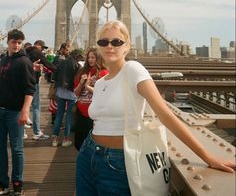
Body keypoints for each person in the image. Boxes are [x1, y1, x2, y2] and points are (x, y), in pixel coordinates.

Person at [75, 20, 236, 196]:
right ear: (98, 47)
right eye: (103, 42)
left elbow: (166, 116)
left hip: (118, 160)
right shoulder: (99, 83)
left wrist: (206, 157)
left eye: (117, 42)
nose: (110, 46)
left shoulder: (133, 70)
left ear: (127, 46)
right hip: (87, 153)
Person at [0, 29, 36, 196]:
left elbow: (30, 89)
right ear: (8, 42)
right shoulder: (3, 60)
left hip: (15, 113)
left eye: (19, 42)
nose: (16, 45)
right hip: (0, 111)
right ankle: (3, 183)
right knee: (0, 148)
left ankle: (17, 184)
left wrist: (25, 111)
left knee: (16, 149)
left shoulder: (24, 62)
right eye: (13, 42)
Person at [73, 48, 108, 151]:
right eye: (89, 57)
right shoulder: (82, 72)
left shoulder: (104, 74)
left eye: (93, 57)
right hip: (81, 112)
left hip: (95, 114)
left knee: (94, 143)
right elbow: (76, 93)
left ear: (98, 58)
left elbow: (105, 94)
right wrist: (81, 83)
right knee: (79, 141)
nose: (90, 60)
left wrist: (88, 87)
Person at [25, 40, 56, 140]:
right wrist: (60, 70)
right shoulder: (37, 52)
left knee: (24, 106)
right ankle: (37, 132)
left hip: (23, 82)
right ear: (38, 46)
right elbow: (48, 64)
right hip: (33, 82)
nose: (43, 50)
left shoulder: (24, 52)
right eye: (42, 48)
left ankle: (22, 133)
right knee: (36, 107)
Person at [51, 49, 82, 147]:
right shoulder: (77, 66)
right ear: (77, 57)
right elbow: (77, 80)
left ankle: (55, 139)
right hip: (71, 93)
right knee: (69, 116)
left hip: (60, 92)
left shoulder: (61, 62)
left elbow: (54, 77)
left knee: (59, 115)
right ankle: (66, 139)